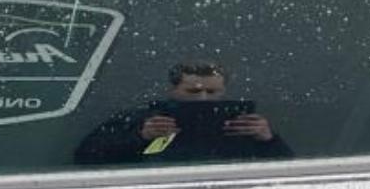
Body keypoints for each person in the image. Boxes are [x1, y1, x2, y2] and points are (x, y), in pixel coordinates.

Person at [74, 60, 291, 166]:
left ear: (223, 91)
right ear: (173, 90)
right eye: (193, 91)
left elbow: (288, 168)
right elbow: (86, 157)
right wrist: (140, 136)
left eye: (212, 92)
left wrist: (268, 140)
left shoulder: (245, 124)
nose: (203, 98)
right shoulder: (142, 119)